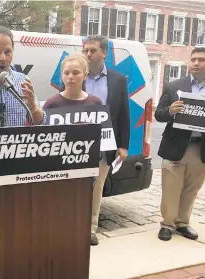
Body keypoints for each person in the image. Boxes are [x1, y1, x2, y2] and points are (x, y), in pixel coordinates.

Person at [155, 47, 205, 241]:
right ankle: (167, 224)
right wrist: (170, 110)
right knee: (171, 188)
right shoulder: (173, 87)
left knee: (191, 189)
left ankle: (182, 223)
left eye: (201, 60)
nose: (196, 63)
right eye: (193, 59)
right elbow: (159, 114)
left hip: (203, 147)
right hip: (176, 146)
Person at [82, 35, 130, 246]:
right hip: (76, 143)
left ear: (104, 53)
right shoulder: (75, 76)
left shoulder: (118, 80)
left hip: (104, 144)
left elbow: (123, 114)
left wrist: (123, 145)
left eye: (93, 50)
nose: (88, 54)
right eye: (85, 50)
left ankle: (90, 228)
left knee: (96, 187)